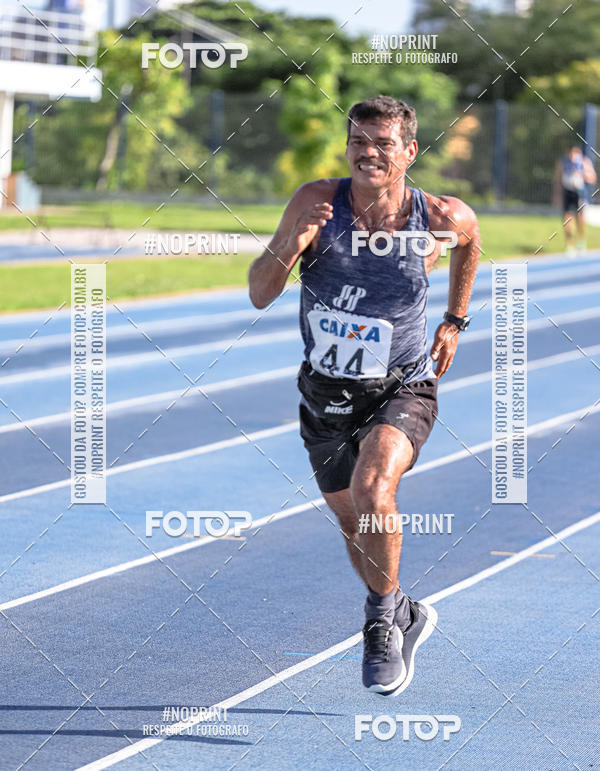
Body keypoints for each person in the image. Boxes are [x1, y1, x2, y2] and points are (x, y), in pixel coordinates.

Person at [248, 95, 480, 695]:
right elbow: (259, 293)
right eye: (359, 141)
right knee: (356, 523)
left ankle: (379, 625)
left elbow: (471, 241)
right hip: (325, 391)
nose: (368, 152)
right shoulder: (315, 203)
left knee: (374, 487)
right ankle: (401, 607)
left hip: (403, 385)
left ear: (409, 152)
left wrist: (454, 320)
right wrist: (293, 244)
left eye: (382, 143)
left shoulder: (438, 217)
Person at [553, 145, 597, 256]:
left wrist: (581, 173)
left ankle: (581, 241)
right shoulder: (563, 162)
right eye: (571, 154)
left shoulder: (584, 162)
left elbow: (592, 178)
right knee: (567, 219)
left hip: (579, 193)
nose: (573, 157)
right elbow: (558, 179)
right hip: (567, 193)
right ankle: (569, 244)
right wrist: (556, 195)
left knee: (580, 218)